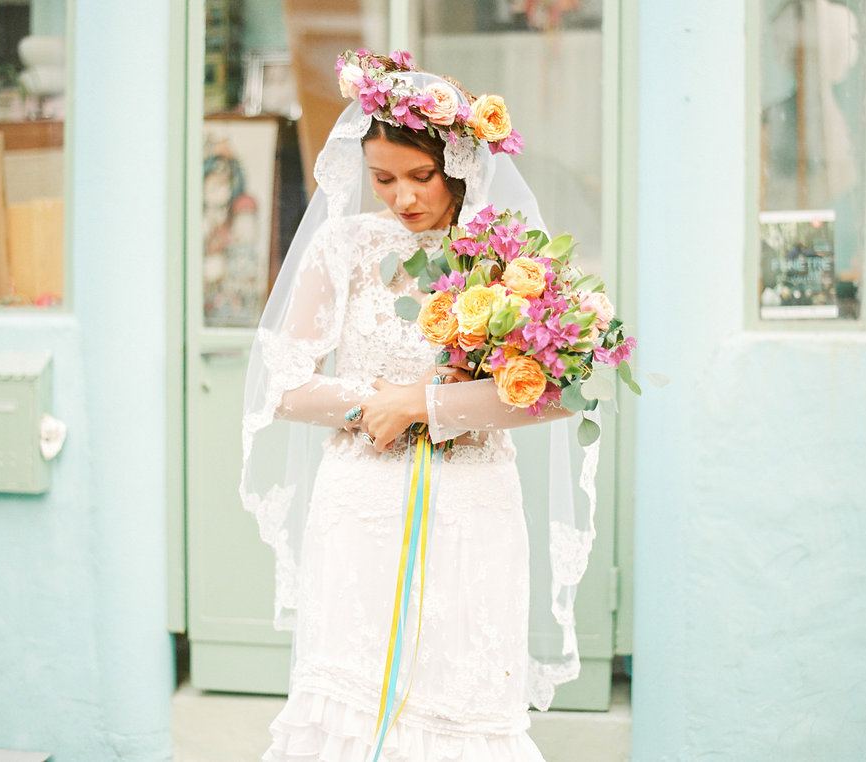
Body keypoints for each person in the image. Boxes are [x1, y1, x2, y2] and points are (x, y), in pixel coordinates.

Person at [240, 50, 603, 761]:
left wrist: (423, 404)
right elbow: (281, 384)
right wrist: (373, 402)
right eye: (383, 179)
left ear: (460, 165)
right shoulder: (343, 246)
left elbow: (555, 394)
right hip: (362, 500)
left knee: (459, 686)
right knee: (357, 687)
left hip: (471, 502)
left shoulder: (503, 257)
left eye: (420, 177)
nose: (402, 197)